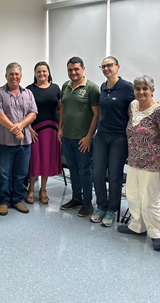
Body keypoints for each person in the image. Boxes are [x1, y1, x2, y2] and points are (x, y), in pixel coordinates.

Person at [119, 75, 160, 251]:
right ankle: (138, 226)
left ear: (152, 90)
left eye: (145, 88)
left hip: (154, 163)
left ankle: (157, 234)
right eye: (138, 89)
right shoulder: (132, 106)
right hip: (134, 161)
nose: (141, 92)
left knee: (150, 200)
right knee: (133, 195)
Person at [91, 56, 135, 227]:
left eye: (110, 65)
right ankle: (101, 205)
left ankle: (111, 209)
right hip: (101, 136)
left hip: (119, 137)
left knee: (115, 175)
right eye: (103, 66)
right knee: (97, 172)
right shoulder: (103, 87)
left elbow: (137, 108)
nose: (106, 69)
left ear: (118, 67)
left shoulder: (126, 87)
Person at [0, 62, 37, 216]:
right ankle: (3, 201)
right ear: (6, 76)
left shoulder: (28, 93)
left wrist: (21, 125)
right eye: (11, 74)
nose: (14, 77)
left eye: (17, 74)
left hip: (24, 142)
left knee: (20, 173)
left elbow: (33, 113)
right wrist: (15, 129)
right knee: (4, 174)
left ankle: (17, 199)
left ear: (21, 76)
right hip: (4, 142)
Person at [58, 57, 100, 216]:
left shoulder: (92, 88)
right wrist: (59, 129)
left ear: (83, 68)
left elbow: (97, 114)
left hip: (83, 139)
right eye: (70, 70)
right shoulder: (65, 86)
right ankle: (77, 198)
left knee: (84, 170)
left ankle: (88, 203)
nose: (73, 72)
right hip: (67, 137)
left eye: (76, 69)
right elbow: (63, 108)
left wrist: (89, 136)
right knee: (73, 169)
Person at [26, 62, 62, 205]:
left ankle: (43, 189)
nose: (42, 74)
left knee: (46, 159)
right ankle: (30, 189)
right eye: (39, 71)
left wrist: (61, 128)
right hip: (35, 129)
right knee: (35, 160)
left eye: (44, 71)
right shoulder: (29, 89)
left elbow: (60, 109)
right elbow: (24, 110)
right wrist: (28, 127)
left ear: (48, 72)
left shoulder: (56, 88)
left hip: (52, 129)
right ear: (35, 73)